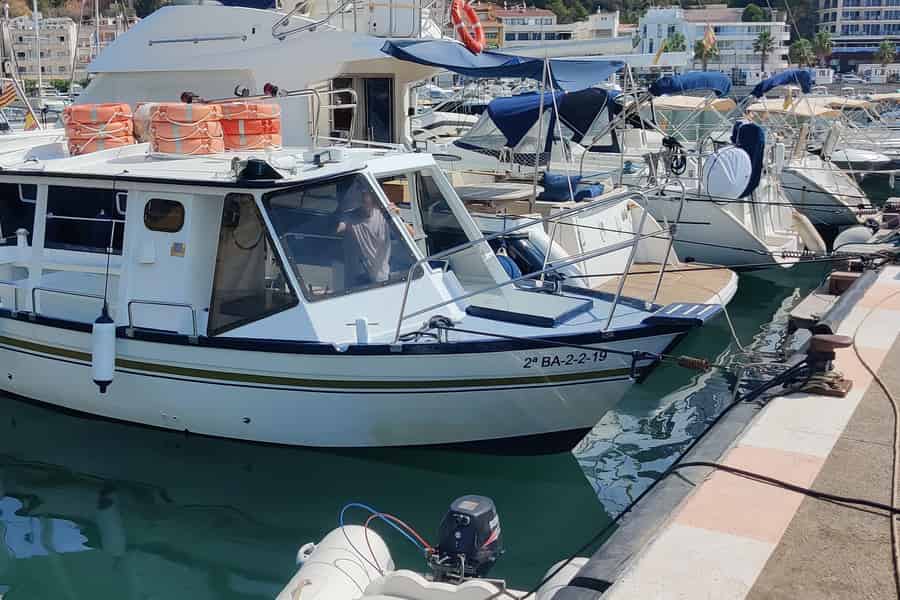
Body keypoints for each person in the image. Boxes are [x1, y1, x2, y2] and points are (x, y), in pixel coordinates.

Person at [336, 185, 392, 289]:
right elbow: (338, 229)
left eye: (366, 195)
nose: (364, 199)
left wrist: (396, 216)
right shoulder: (349, 217)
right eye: (361, 195)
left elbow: (410, 234)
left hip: (381, 276)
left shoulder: (384, 214)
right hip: (359, 277)